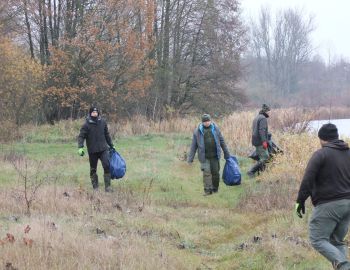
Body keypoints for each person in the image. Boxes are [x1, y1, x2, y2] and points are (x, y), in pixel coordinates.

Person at [295, 123, 350, 270]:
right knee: (337, 241)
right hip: (348, 203)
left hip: (329, 204)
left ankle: (345, 266)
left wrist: (300, 201)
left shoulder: (321, 154)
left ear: (322, 139)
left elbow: (308, 179)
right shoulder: (348, 153)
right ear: (336, 137)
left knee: (317, 239)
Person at [187, 114, 230, 195]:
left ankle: (215, 189)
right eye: (205, 121)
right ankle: (207, 190)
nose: (207, 123)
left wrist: (226, 153)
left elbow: (222, 141)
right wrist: (190, 159)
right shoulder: (197, 131)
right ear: (202, 122)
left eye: (208, 121)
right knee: (206, 173)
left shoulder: (216, 129)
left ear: (210, 121)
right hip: (204, 157)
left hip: (215, 156)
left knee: (216, 173)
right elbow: (193, 146)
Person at [78, 106, 115, 192]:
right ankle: (95, 188)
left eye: (96, 112)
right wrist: (80, 147)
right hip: (92, 150)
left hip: (103, 149)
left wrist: (111, 145)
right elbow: (81, 136)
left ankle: (108, 187)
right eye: (93, 112)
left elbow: (107, 134)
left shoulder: (103, 122)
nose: (95, 114)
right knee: (93, 169)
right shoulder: (86, 125)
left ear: (98, 113)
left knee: (106, 165)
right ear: (90, 113)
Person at [247, 104, 271, 177]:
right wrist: (264, 141)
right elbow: (262, 130)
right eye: (269, 111)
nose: (269, 113)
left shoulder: (257, 117)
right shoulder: (263, 118)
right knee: (265, 157)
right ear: (265, 111)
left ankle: (261, 175)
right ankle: (251, 171)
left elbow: (257, 130)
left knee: (261, 158)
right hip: (260, 141)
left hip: (255, 140)